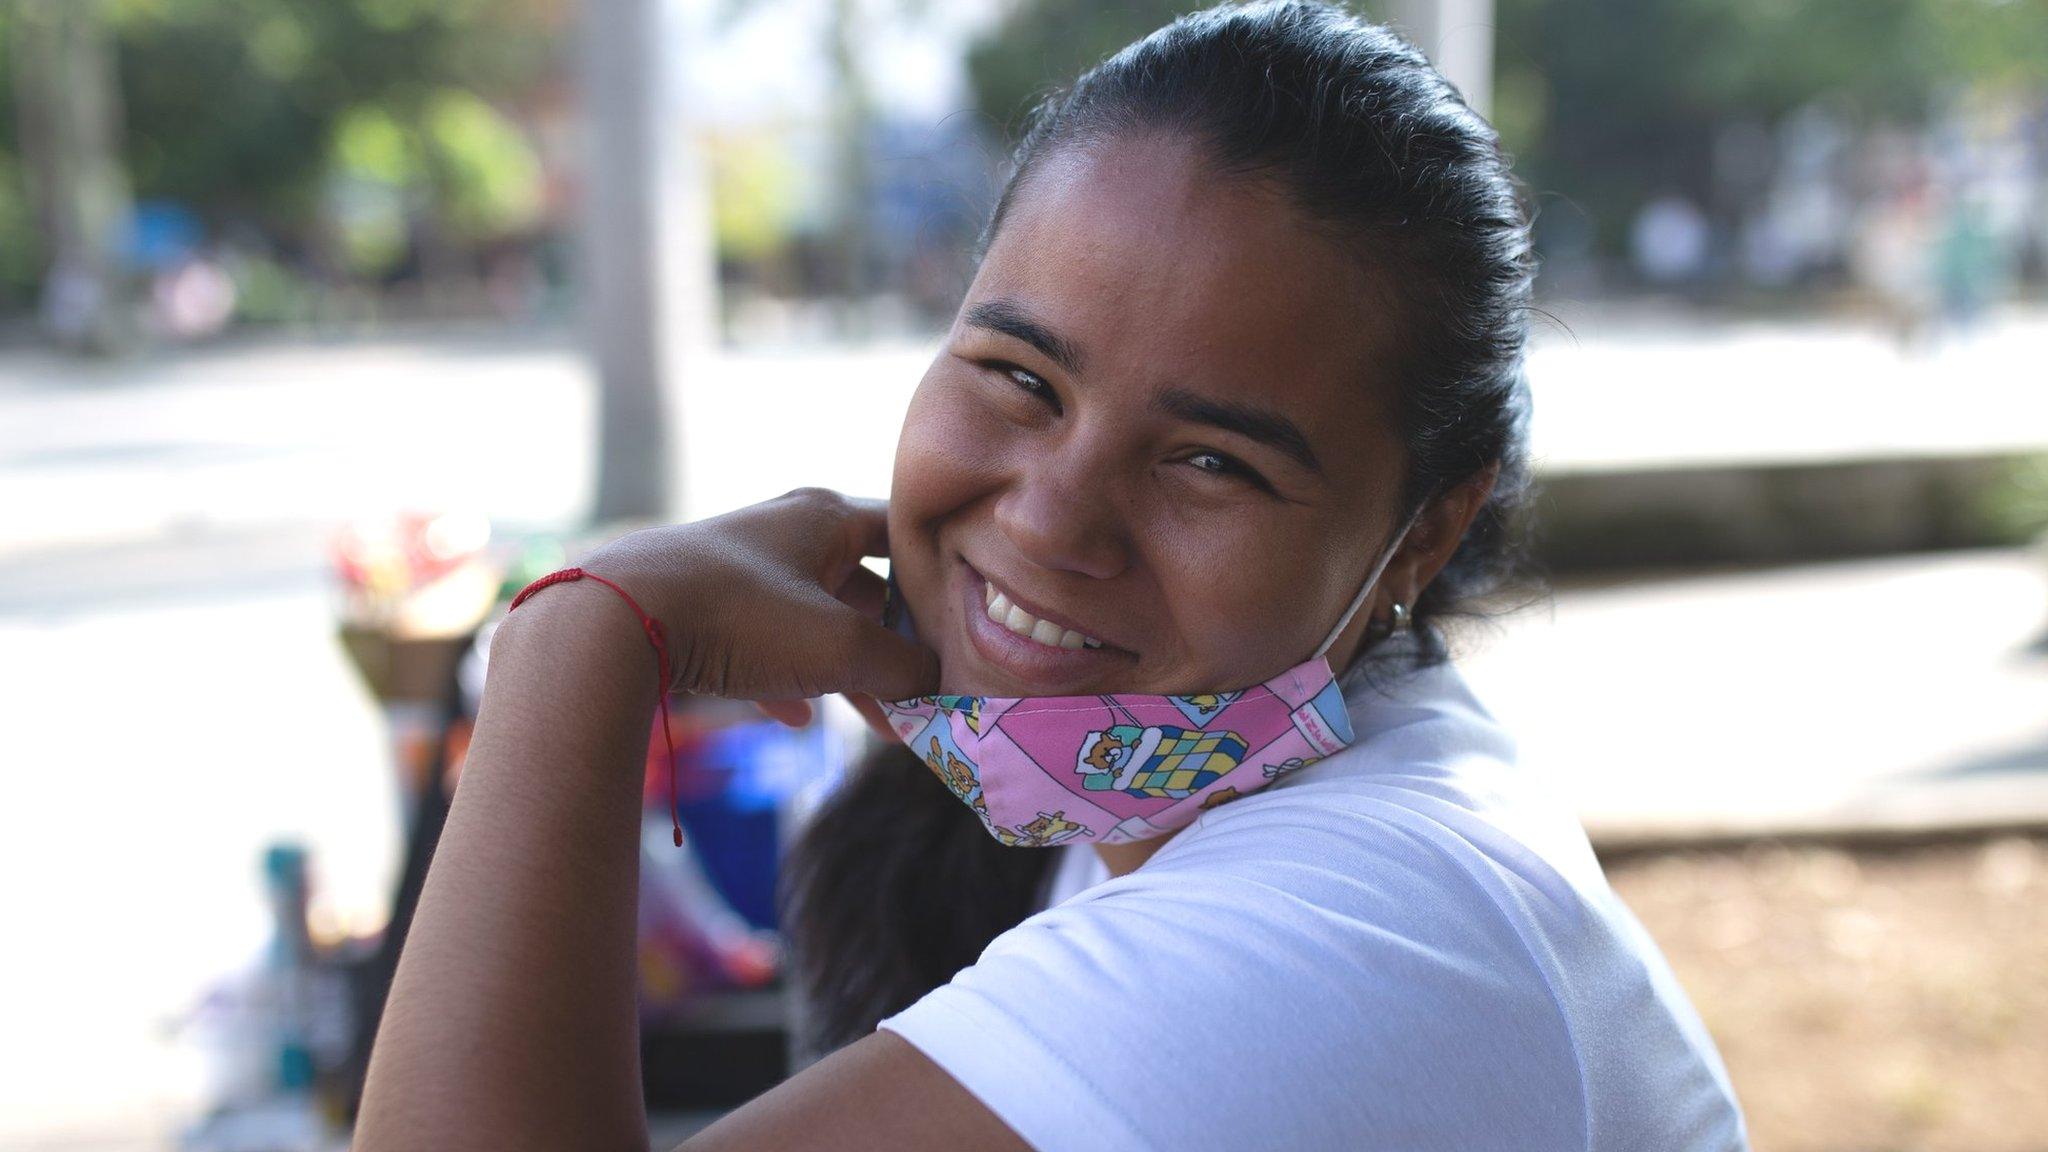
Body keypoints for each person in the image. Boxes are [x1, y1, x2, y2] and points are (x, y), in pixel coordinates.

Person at [353, 3, 1750, 1148]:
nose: (1052, 520)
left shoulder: (1372, 926)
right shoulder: (1167, 804)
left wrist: (577, 645)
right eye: (1019, 377)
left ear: (1427, 535)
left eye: (1212, 463)